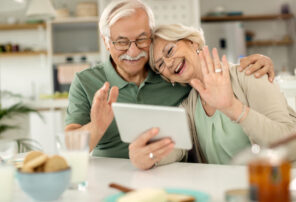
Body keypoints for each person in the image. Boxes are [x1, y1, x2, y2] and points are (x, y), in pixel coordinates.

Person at [65, 0, 275, 167]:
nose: (133, 51)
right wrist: (97, 126)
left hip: (174, 173)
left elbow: (208, 72)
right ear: (105, 41)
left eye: (141, 39)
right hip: (109, 178)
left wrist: (253, 62)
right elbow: (69, 150)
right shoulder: (85, 82)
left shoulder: (170, 74)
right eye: (121, 42)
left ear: (151, 35)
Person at [129, 23, 296, 168]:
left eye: (170, 51)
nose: (169, 63)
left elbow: (290, 145)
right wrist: (148, 157)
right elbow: (174, 148)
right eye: (160, 66)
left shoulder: (250, 74)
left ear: (192, 42)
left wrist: (233, 108)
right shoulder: (189, 107)